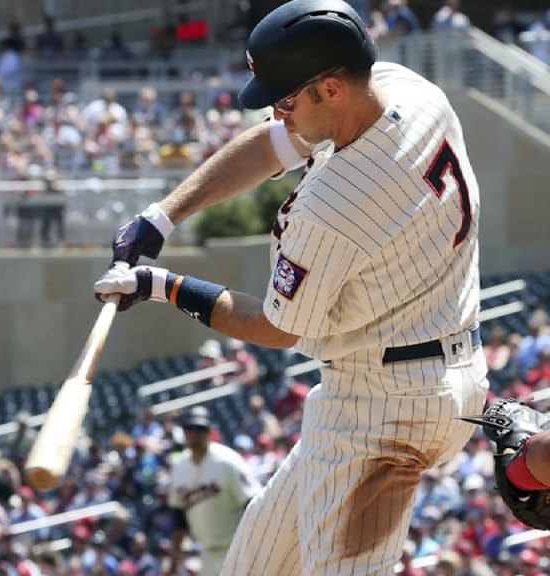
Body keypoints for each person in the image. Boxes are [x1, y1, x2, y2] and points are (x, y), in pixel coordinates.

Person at [92, 0, 487, 573]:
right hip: (438, 373)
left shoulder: (335, 205)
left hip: (382, 411)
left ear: (331, 88)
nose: (277, 112)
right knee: (251, 565)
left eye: (284, 98)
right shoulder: (407, 90)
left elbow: (275, 327)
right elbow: (274, 144)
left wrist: (163, 286)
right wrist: (163, 216)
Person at [168, 407, 260, 576]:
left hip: (239, 548)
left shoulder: (229, 461)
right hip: (207, 554)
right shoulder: (179, 467)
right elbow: (178, 518)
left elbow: (254, 505)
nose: (194, 433)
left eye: (200, 428)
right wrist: (173, 563)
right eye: (189, 428)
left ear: (210, 431)